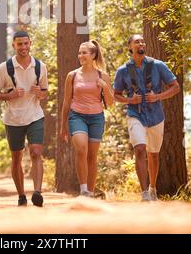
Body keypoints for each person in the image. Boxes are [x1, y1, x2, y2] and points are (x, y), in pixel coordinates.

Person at [113, 34, 180, 201]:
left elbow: (175, 87)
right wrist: (130, 100)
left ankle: (152, 188)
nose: (141, 43)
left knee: (154, 154)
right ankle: (144, 194)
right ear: (130, 47)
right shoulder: (122, 70)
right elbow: (116, 95)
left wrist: (158, 96)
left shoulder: (158, 65)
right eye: (137, 42)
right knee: (140, 149)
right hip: (135, 114)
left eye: (143, 41)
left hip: (156, 116)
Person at [0, 31, 48, 207]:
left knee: (36, 152)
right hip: (13, 119)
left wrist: (40, 93)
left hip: (34, 116)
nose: (23, 47)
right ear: (14, 45)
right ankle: (21, 195)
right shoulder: (4, 68)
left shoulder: (40, 66)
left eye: (26, 43)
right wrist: (10, 95)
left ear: (30, 43)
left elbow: (45, 92)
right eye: (20, 44)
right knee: (16, 157)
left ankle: (37, 193)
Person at [60, 40, 114, 197]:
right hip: (77, 116)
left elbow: (110, 103)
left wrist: (105, 87)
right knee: (81, 149)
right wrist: (63, 126)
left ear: (93, 55)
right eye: (79, 53)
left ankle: (90, 192)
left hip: (97, 118)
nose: (80, 56)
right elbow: (66, 101)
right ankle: (83, 190)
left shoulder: (102, 75)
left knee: (92, 156)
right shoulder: (72, 75)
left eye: (84, 53)